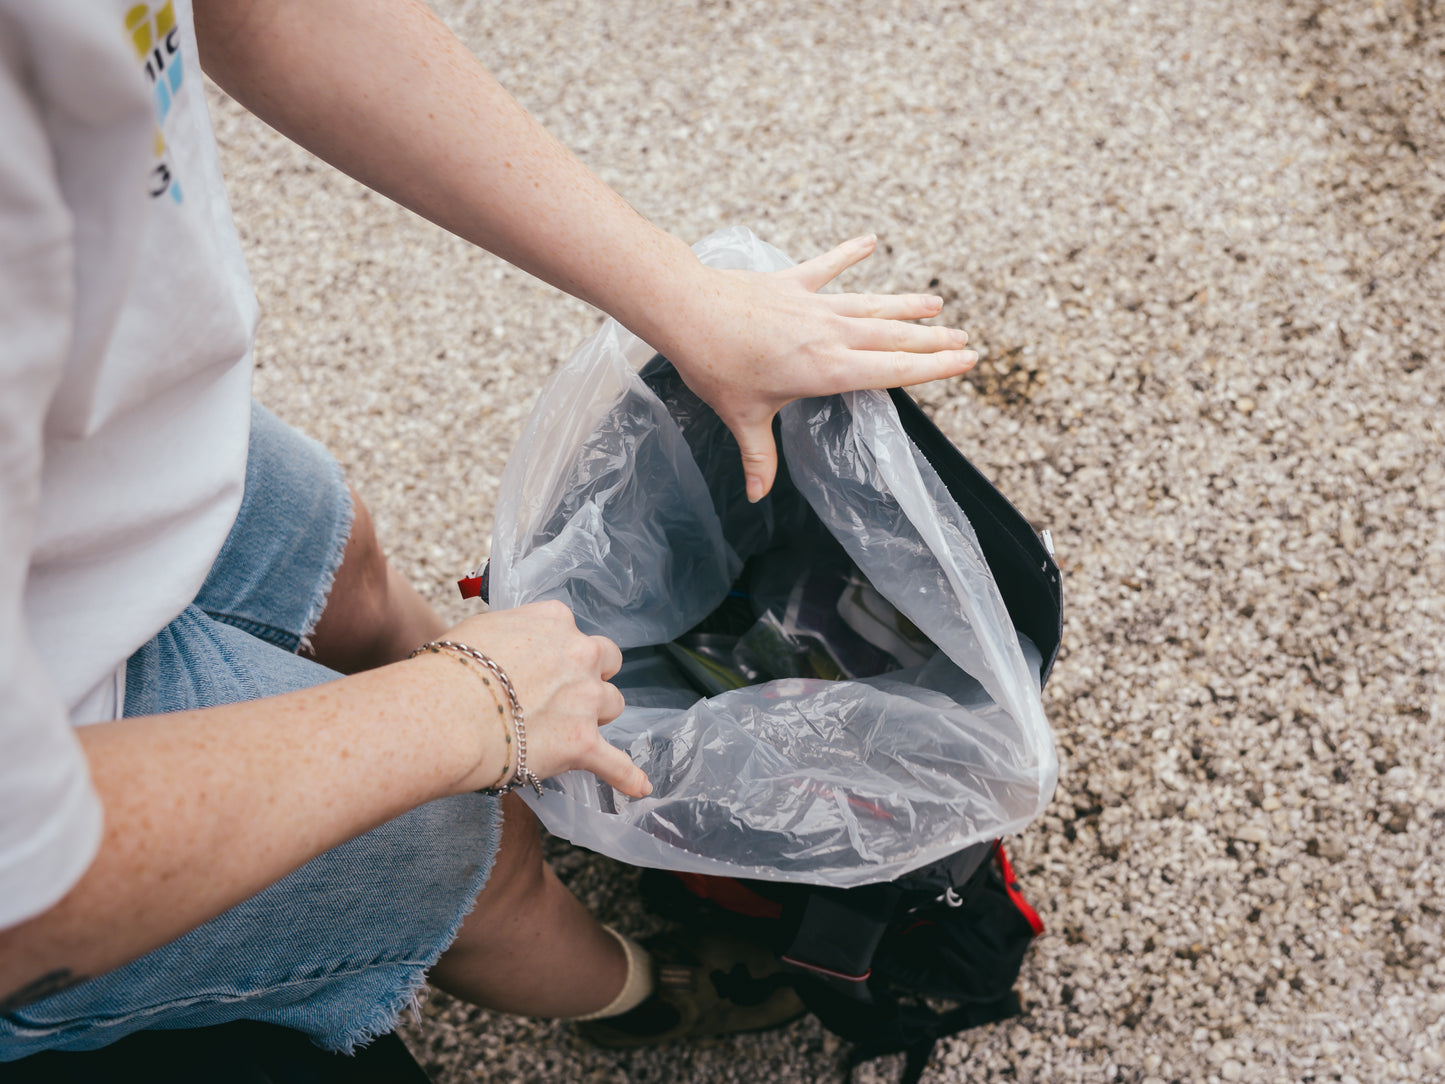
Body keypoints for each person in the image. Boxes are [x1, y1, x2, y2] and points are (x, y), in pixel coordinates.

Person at [0, 0, 978, 1059]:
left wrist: (683, 298)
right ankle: (634, 994)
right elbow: (25, 887)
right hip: (50, 770)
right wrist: (470, 707)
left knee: (342, 564)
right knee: (456, 846)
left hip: (96, 453)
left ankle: (529, 771)